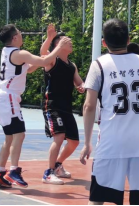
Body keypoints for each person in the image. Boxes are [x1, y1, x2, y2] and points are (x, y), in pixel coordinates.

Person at [80, 19, 139, 206]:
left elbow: (89, 106)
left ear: (103, 42)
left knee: (98, 198)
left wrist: (87, 142)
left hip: (111, 143)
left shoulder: (99, 65)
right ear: (128, 39)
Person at [0, 24, 72, 189]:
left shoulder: (7, 52)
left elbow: (29, 68)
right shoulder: (20, 53)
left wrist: (49, 40)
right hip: (9, 98)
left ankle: (0, 172)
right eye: (20, 33)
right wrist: (58, 47)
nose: (22, 35)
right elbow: (44, 61)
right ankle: (13, 170)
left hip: (3, 98)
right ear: (15, 38)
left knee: (9, 137)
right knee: (19, 134)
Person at [40, 25, 85, 185]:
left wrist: (82, 87)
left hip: (66, 108)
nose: (70, 42)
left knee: (74, 142)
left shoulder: (72, 66)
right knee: (59, 137)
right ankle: (48, 173)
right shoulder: (52, 60)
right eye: (66, 40)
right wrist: (49, 38)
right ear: (58, 44)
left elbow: (79, 83)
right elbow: (42, 53)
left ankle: (58, 165)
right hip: (52, 106)